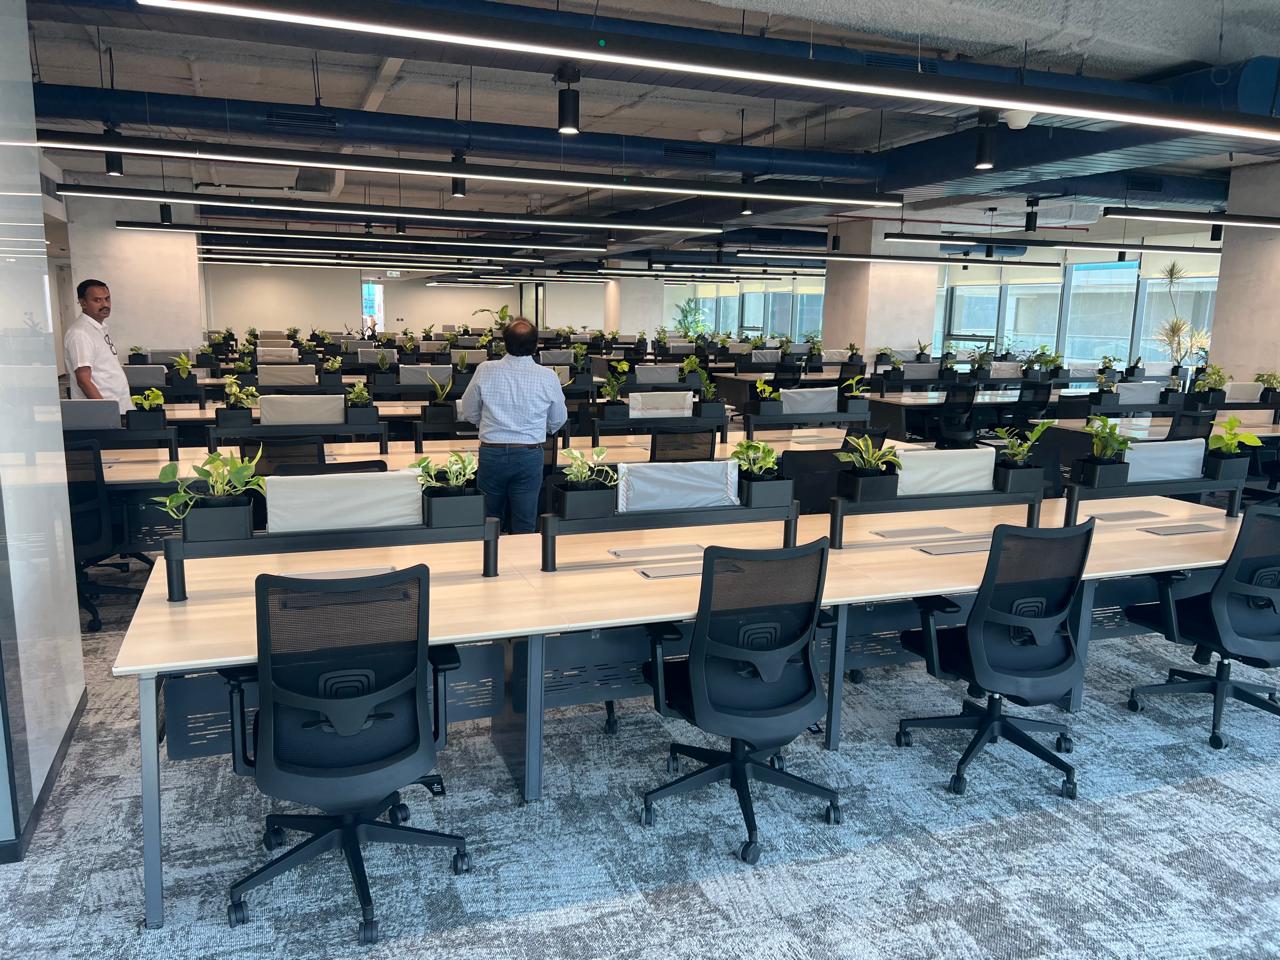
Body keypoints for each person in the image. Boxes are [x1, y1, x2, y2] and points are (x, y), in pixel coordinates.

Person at [460, 318, 567, 533]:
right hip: (529, 454)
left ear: (505, 343)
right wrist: (540, 429)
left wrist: (485, 424)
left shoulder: (485, 369)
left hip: (492, 452)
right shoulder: (548, 376)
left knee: (489, 520)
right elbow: (558, 418)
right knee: (525, 521)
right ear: (535, 345)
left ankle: (491, 555)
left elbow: (468, 409)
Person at [65, 278, 132, 413]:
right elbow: (84, 381)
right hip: (103, 412)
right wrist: (106, 412)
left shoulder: (98, 329)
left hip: (118, 406)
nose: (105, 304)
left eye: (107, 299)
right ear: (83, 303)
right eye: (97, 300)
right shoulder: (80, 334)